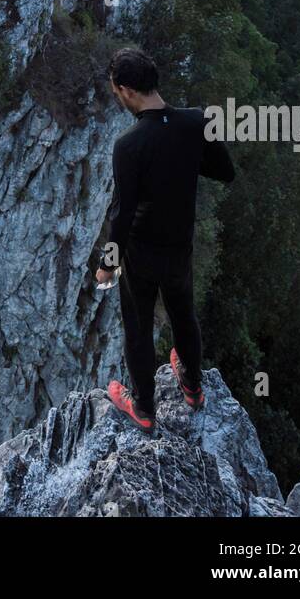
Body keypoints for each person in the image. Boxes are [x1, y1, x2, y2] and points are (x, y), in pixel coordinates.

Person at [97, 47, 234, 431]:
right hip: (178, 247)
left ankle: (143, 407)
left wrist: (107, 266)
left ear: (125, 90)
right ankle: (192, 386)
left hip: (140, 252)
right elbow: (225, 171)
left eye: (115, 91)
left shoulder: (128, 144)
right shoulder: (196, 122)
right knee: (183, 315)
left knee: (138, 326)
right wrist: (186, 158)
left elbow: (121, 214)